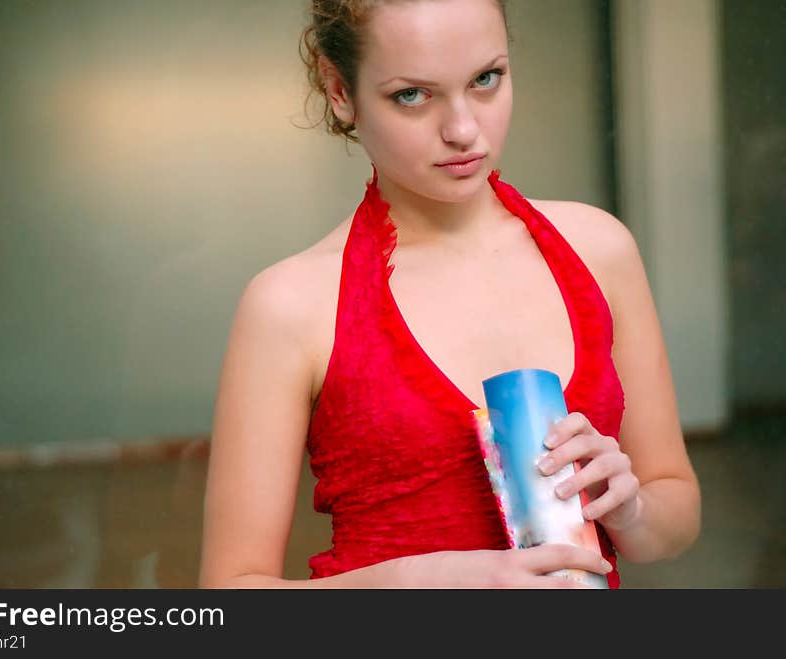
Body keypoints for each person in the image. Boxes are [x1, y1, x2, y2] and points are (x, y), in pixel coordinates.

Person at [198, 0, 701, 588]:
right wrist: (417, 583)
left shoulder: (598, 249)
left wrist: (630, 508)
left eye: (486, 79)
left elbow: (678, 513)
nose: (464, 130)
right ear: (340, 91)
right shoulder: (291, 304)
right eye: (413, 95)